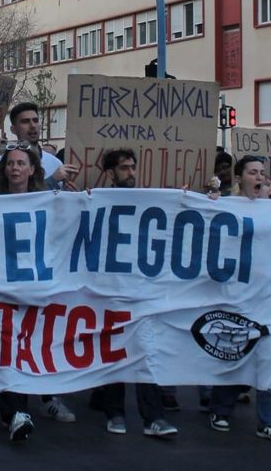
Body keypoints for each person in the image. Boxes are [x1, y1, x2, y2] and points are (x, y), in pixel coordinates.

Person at [93, 148, 178, 438]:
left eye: (132, 167)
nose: (130, 172)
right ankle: (114, 413)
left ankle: (153, 417)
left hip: (140, 290)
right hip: (109, 290)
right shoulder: (97, 201)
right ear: (110, 173)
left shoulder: (147, 201)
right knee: (114, 353)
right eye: (124, 168)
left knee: (145, 353)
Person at [210, 154, 271, 443]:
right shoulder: (226, 207)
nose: (259, 177)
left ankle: (268, 422)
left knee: (269, 358)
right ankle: (220, 408)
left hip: (269, 296)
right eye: (253, 172)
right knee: (235, 354)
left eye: (262, 172)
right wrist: (209, 203)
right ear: (239, 178)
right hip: (238, 296)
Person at [0, 142, 48, 442]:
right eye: (10, 163)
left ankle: (8, 406)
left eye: (21, 163)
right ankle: (16, 412)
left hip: (33, 286)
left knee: (25, 346)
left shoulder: (48, 202)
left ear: (32, 169)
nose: (15, 168)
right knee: (7, 346)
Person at [0, 102, 78, 187]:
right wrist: (52, 180)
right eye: (25, 121)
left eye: (35, 120)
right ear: (13, 129)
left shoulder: (56, 163)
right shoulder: (2, 162)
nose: (33, 125)